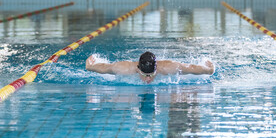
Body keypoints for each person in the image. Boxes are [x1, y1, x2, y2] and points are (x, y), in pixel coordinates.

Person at [85, 51, 215, 83]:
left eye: (151, 75)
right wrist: (90, 66)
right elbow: (104, 68)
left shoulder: (169, 67)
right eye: (144, 75)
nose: (148, 80)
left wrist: (209, 69)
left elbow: (192, 68)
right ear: (137, 68)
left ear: (156, 69)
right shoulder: (124, 68)